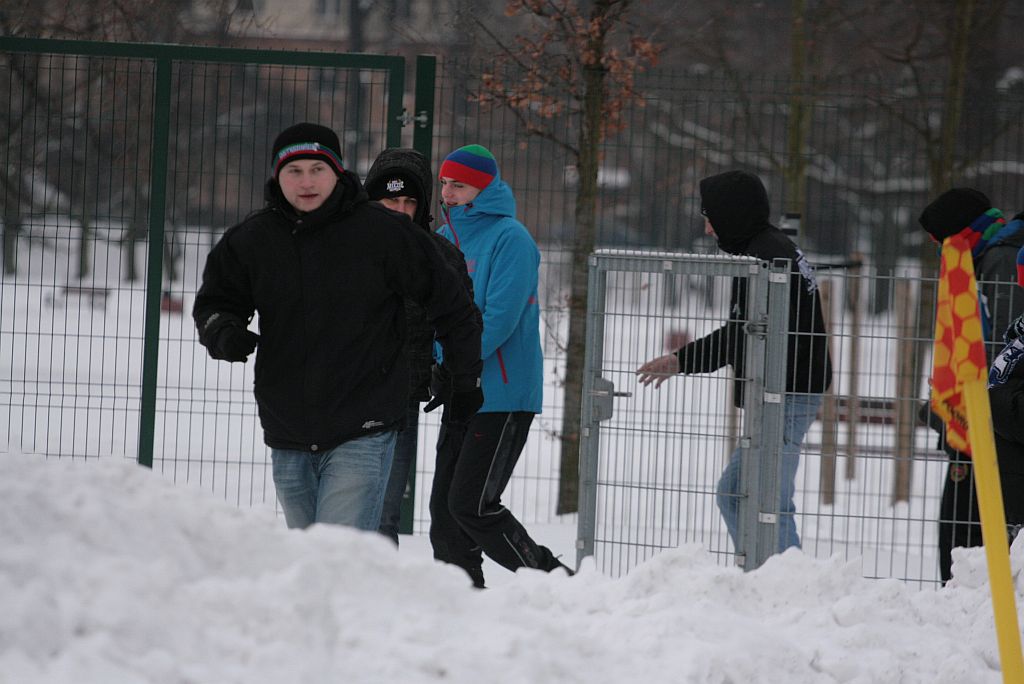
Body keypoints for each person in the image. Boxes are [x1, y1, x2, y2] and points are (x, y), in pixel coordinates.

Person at [193, 123, 483, 532]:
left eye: (318, 169)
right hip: (287, 426)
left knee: (339, 549)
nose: (307, 182)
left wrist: (463, 378)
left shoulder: (384, 234)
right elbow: (216, 302)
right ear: (277, 175)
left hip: (365, 424)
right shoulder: (253, 239)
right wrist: (222, 329)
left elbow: (453, 306)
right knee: (313, 550)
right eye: (295, 171)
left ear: (339, 173)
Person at [635, 169, 832, 555]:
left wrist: (681, 360)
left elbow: (741, 334)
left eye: (711, 219)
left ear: (732, 215)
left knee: (767, 503)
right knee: (735, 493)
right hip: (777, 391)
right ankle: (762, 576)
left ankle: (786, 588)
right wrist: (680, 360)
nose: (708, 230)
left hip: (787, 395)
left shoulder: (768, 258)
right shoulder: (762, 250)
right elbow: (743, 331)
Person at [429, 144, 569, 588]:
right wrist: (437, 363)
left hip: (502, 394)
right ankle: (462, 595)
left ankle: (556, 582)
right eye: (445, 183)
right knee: (444, 510)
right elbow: (435, 313)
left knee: (473, 504)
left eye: (460, 185)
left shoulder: (513, 239)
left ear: (485, 188)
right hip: (459, 387)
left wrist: (453, 362)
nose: (448, 193)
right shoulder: (445, 237)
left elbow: (499, 318)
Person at [364, 147, 479, 545]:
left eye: (409, 201)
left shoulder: (439, 256)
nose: (399, 209)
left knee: (382, 518)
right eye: (389, 199)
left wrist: (455, 377)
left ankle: (375, 603)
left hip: (399, 402)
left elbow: (464, 323)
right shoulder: (340, 248)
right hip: (336, 398)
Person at [918, 190, 1024, 583]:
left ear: (959, 234)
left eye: (939, 241)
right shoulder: (990, 256)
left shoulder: (997, 261)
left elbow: (1000, 346)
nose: (939, 252)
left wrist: (962, 404)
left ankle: (963, 597)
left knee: (965, 528)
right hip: (985, 413)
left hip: (989, 417)